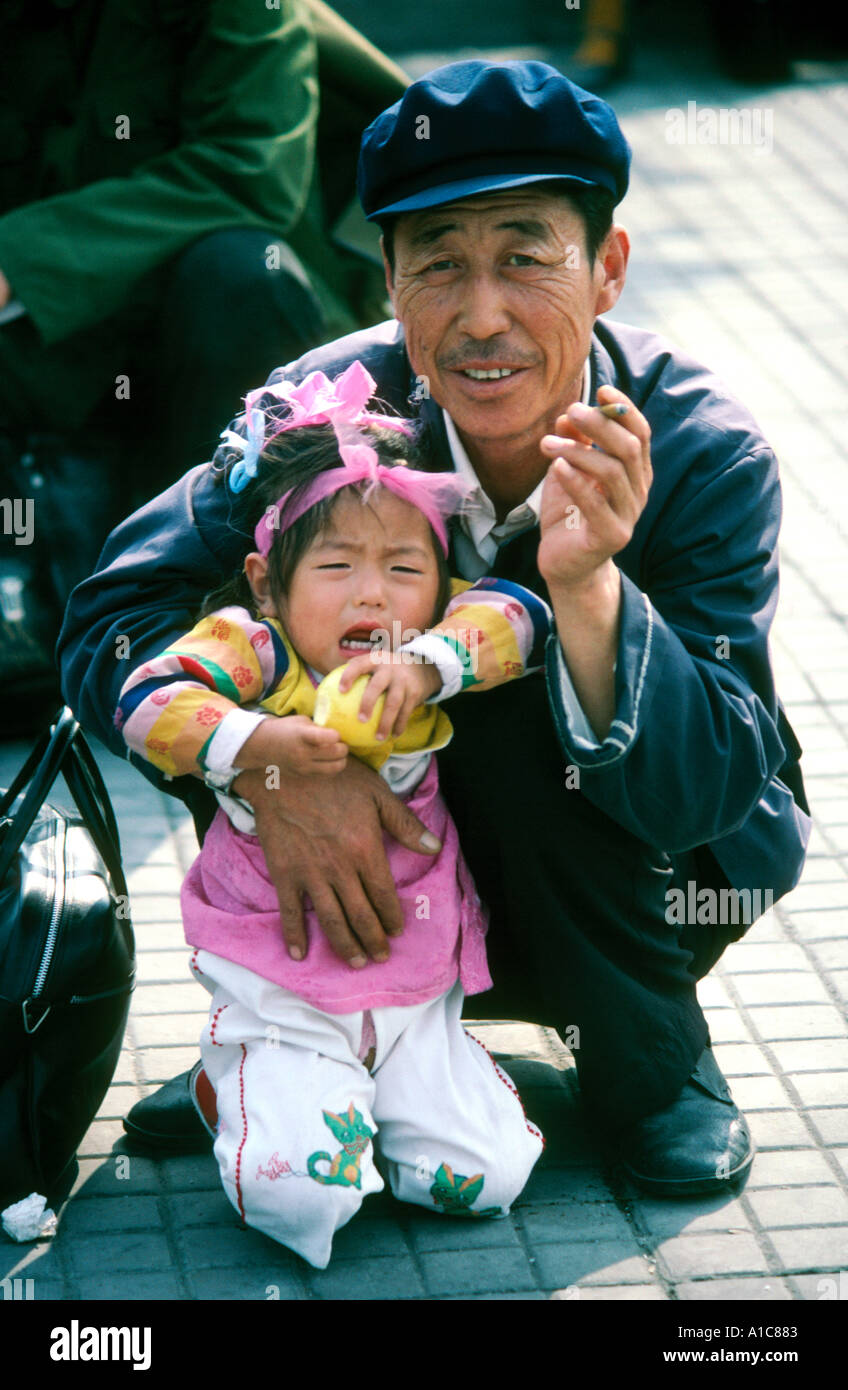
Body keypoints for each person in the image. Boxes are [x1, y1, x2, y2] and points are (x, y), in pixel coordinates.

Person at [59, 59, 811, 1198]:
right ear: (388, 283)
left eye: (523, 256)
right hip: (338, 834)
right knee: (229, 672)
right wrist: (271, 776)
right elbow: (111, 614)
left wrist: (590, 586)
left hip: (649, 864)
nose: (480, 315)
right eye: (439, 265)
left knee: (505, 688)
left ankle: (646, 1050)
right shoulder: (314, 417)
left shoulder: (701, 450)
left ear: (604, 267)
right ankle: (285, 1038)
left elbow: (705, 790)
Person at [115, 362, 547, 1266]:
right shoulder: (257, 651)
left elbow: (520, 614)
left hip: (415, 991)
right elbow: (145, 703)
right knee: (304, 1195)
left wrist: (430, 665)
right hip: (283, 995)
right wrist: (254, 746)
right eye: (337, 566)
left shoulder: (426, 657)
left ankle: (390, 1095)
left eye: (403, 567)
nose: (371, 594)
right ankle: (233, 1078)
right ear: (266, 583)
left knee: (483, 1180)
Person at [0, 0, 406, 730]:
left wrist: (21, 257)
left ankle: (234, 615)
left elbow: (252, 170)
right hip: (41, 355)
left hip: (199, 348)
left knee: (244, 273)